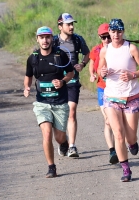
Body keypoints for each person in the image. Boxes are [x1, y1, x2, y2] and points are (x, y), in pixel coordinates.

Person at [98, 19, 139, 182]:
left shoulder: (131, 48)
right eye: (112, 32)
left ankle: (133, 144)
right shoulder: (105, 50)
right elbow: (100, 69)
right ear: (109, 33)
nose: (115, 35)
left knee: (130, 137)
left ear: (123, 31)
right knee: (118, 134)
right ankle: (126, 169)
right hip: (111, 97)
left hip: (131, 97)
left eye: (119, 31)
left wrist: (132, 75)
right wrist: (103, 71)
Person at [24, 26, 74, 178]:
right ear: (37, 39)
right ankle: (51, 167)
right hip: (42, 103)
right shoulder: (33, 58)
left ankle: (64, 143)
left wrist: (63, 82)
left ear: (52, 38)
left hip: (59, 102)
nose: (45, 40)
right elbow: (28, 76)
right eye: (42, 37)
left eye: (47, 37)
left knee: (58, 137)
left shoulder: (60, 55)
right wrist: (26, 87)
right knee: (46, 134)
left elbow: (71, 73)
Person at [53, 13, 90, 157]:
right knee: (59, 116)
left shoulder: (78, 39)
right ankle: (63, 142)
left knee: (72, 111)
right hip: (57, 82)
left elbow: (87, 54)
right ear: (60, 26)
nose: (72, 26)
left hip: (73, 81)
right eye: (68, 24)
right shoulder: (54, 41)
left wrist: (82, 64)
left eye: (72, 24)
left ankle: (72, 146)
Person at [89, 23, 118, 164]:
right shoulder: (96, 50)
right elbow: (92, 64)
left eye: (108, 36)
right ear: (99, 37)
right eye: (103, 37)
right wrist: (93, 74)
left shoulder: (120, 49)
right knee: (108, 120)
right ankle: (112, 150)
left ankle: (124, 144)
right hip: (103, 88)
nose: (106, 40)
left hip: (119, 90)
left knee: (119, 122)